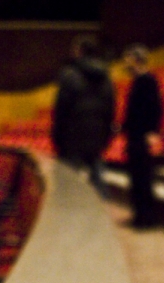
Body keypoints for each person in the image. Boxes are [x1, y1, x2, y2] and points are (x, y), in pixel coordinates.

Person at [52, 35, 114, 195]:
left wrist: (57, 137)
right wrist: (106, 136)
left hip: (72, 137)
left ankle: (70, 209)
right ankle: (101, 208)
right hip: (97, 136)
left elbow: (61, 110)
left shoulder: (69, 75)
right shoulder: (106, 77)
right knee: (98, 179)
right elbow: (110, 110)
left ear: (79, 51)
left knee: (68, 181)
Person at [122, 44, 163, 228]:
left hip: (143, 136)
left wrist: (153, 132)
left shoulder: (148, 80)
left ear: (137, 60)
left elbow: (156, 108)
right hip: (134, 136)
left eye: (128, 59)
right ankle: (139, 216)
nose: (125, 63)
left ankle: (147, 218)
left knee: (143, 179)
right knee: (136, 179)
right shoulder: (137, 81)